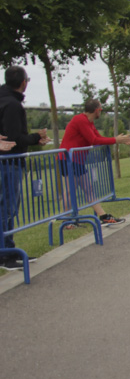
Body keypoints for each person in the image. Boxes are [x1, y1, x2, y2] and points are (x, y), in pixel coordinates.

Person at [0, 66, 49, 271]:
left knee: (8, 208)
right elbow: (14, 138)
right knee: (8, 209)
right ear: (23, 82)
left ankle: (9, 250)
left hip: (8, 162)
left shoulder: (5, 100)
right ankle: (6, 254)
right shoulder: (12, 104)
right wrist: (36, 138)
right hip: (9, 163)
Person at [58, 99, 130, 225]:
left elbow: (98, 138)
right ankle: (67, 221)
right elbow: (93, 140)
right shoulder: (81, 120)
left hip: (77, 160)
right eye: (101, 110)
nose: (101, 112)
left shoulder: (89, 122)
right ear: (96, 110)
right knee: (70, 191)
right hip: (68, 159)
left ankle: (103, 216)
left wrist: (118, 140)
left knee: (87, 189)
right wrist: (115, 140)